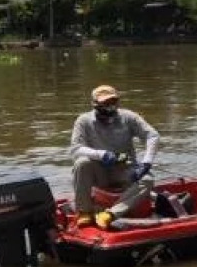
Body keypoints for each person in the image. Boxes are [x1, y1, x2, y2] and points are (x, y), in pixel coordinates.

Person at [68, 85, 159, 227]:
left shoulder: (128, 117)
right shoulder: (83, 121)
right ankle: (84, 212)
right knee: (82, 163)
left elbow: (152, 135)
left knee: (147, 179)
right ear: (95, 104)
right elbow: (75, 148)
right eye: (105, 103)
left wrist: (146, 162)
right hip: (99, 171)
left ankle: (110, 214)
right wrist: (101, 155)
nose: (110, 106)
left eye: (113, 101)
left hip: (124, 168)